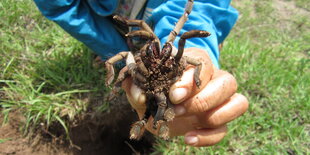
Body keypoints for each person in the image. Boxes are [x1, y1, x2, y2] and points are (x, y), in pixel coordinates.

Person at [33, 0, 249, 147]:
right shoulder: (137, 60)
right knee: (129, 70)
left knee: (163, 102)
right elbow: (62, 7)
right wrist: (114, 57)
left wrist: (198, 49)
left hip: (163, 70)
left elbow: (192, 17)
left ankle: (157, 123)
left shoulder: (168, 51)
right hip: (114, 28)